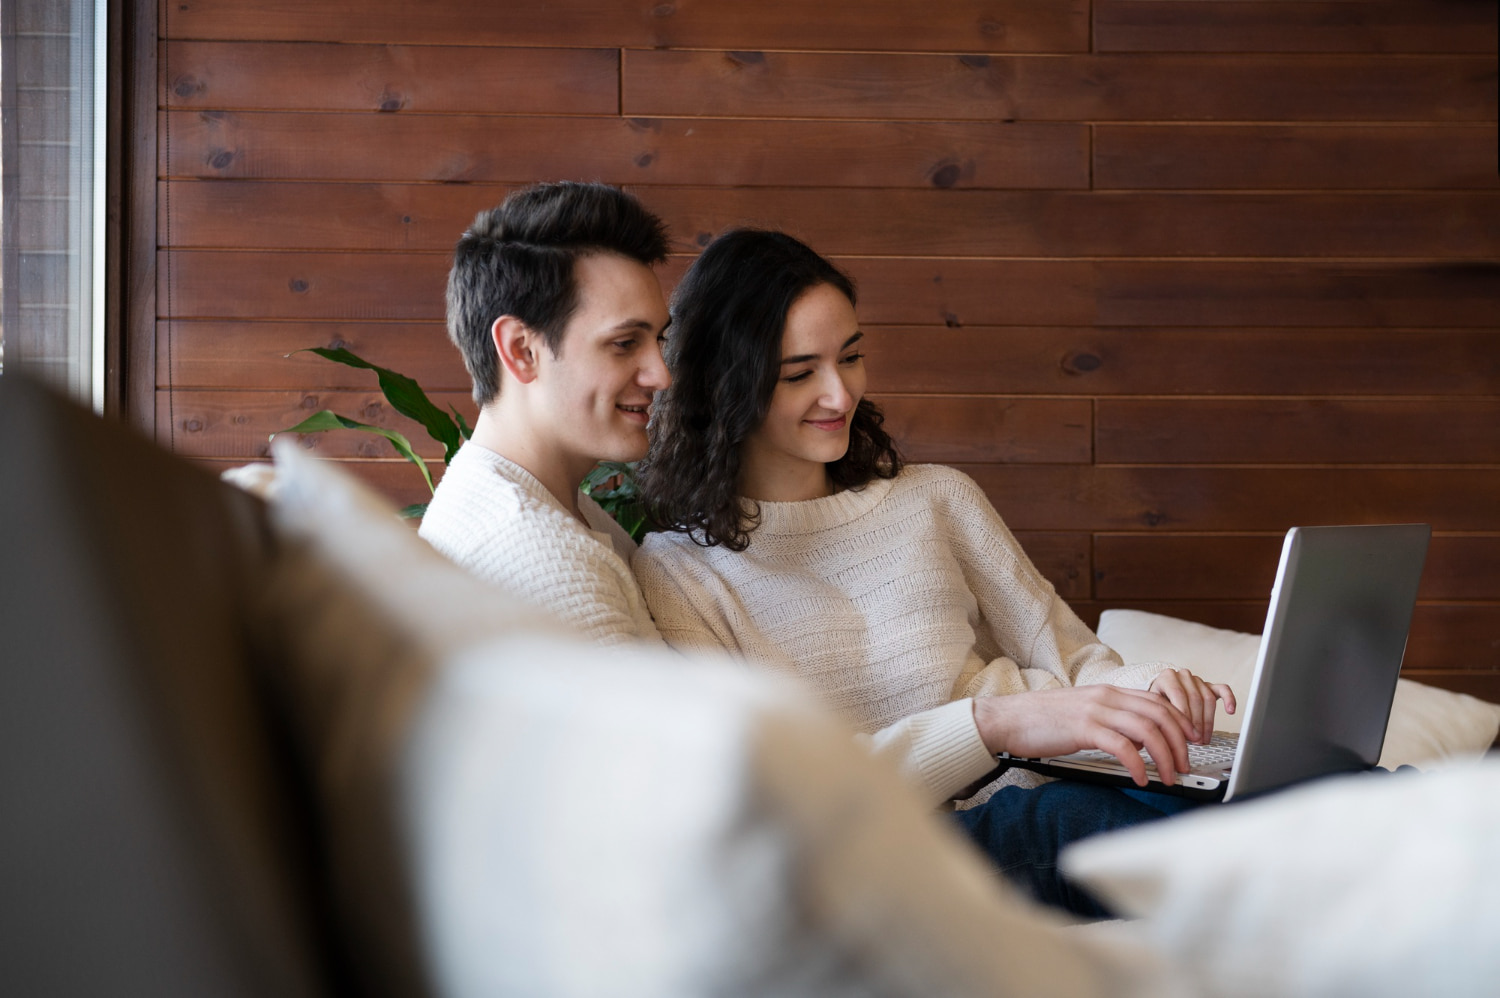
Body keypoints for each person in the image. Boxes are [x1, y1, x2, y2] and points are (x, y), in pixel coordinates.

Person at [633, 229, 1235, 915]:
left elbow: (1073, 661)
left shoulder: (935, 497)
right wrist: (990, 724)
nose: (840, 393)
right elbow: (783, 803)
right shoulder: (680, 573)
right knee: (1065, 819)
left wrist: (1150, 691)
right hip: (907, 845)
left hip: (1056, 775)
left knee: (1283, 788)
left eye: (851, 357)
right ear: (727, 385)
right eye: (800, 374)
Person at [418, 181, 671, 646]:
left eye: (659, 340)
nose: (660, 374)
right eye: (624, 344)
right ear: (522, 351)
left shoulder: (551, 504)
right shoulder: (534, 556)